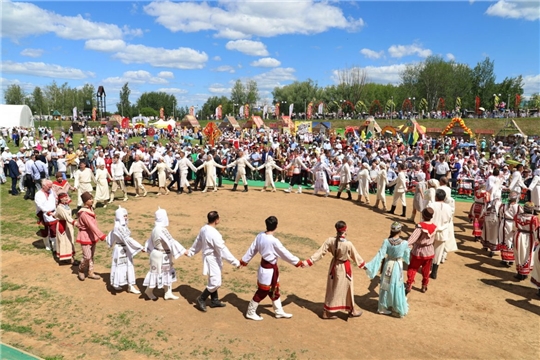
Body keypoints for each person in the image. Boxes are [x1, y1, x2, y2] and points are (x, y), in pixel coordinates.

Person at [241, 216, 303, 321]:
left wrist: (245, 260)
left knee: (274, 290)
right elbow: (284, 253)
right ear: (276, 226)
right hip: (268, 271)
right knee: (262, 292)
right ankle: (250, 312)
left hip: (266, 268)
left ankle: (279, 311)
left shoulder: (260, 235)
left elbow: (252, 249)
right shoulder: (274, 241)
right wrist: (297, 262)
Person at [303, 220, 366, 319]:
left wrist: (309, 261)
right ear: (345, 229)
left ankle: (348, 310)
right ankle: (338, 311)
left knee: (332, 288)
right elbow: (356, 256)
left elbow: (320, 252)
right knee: (347, 288)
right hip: (344, 269)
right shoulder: (348, 244)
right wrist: (365, 266)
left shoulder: (330, 240)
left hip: (334, 266)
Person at [187, 211, 240, 312]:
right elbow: (222, 250)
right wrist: (235, 262)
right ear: (217, 220)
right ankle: (201, 298)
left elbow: (198, 242)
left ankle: (214, 300)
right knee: (216, 282)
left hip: (212, 258)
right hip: (212, 259)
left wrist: (191, 252)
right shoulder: (214, 234)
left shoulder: (204, 229)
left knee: (213, 279)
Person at [365, 222, 410, 317]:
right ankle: (395, 306)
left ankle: (382, 307)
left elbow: (380, 254)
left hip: (388, 265)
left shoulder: (386, 241)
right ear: (400, 231)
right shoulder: (404, 243)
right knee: (397, 285)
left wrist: (371, 265)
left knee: (385, 285)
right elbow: (407, 257)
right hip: (397, 266)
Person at [143, 207, 187, 300]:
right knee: (156, 273)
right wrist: (183, 251)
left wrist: (146, 247)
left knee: (167, 272)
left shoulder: (156, 228)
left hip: (162, 254)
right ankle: (149, 291)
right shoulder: (161, 229)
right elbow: (171, 241)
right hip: (160, 255)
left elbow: (150, 240)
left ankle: (168, 292)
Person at [107, 207, 144, 294]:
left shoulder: (122, 226)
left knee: (129, 266)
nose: (126, 217)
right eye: (124, 216)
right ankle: (116, 284)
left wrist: (110, 242)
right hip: (121, 250)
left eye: (127, 215)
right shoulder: (118, 227)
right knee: (119, 266)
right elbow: (127, 239)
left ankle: (130, 285)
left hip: (125, 248)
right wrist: (140, 247)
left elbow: (111, 235)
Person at [76, 192, 106, 281]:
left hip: (91, 235)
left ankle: (90, 272)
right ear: (85, 201)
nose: (92, 200)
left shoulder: (90, 209)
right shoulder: (84, 213)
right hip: (85, 236)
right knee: (87, 256)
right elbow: (91, 225)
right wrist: (101, 236)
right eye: (90, 199)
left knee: (91, 255)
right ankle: (81, 269)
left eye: (92, 198)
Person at [406, 208, 437, 294]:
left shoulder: (420, 226)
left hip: (419, 250)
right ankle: (424, 285)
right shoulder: (434, 227)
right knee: (426, 270)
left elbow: (413, 238)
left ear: (423, 216)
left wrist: (406, 245)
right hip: (429, 250)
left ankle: (409, 284)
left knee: (413, 268)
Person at [427, 189, 454, 279]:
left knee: (428, 250)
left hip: (431, 231)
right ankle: (434, 271)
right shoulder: (449, 208)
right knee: (438, 252)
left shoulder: (431, 205)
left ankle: (427, 268)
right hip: (443, 231)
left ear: (436, 197)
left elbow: (426, 217)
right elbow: (449, 219)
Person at [513, 202, 539, 281]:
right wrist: (537, 240)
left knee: (518, 253)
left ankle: (519, 272)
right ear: (531, 210)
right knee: (527, 254)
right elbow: (536, 230)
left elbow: (514, 227)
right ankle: (524, 273)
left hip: (518, 235)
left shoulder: (517, 216)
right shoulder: (534, 218)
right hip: (529, 237)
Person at [498, 192, 521, 267]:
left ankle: (505, 259)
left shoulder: (503, 206)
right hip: (513, 224)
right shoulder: (518, 207)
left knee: (504, 240)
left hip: (504, 223)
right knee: (512, 241)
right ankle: (511, 259)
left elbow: (500, 215)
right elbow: (521, 217)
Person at [55, 192, 79, 264]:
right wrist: (75, 223)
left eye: (66, 197)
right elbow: (66, 217)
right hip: (63, 226)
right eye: (64, 197)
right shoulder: (60, 207)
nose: (66, 198)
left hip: (68, 225)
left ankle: (70, 257)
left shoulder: (66, 206)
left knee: (70, 241)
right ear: (60, 199)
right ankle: (69, 258)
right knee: (65, 241)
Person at [35, 179, 58, 252]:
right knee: (44, 230)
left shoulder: (51, 191)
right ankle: (47, 245)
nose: (50, 188)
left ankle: (55, 247)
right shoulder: (38, 194)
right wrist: (46, 211)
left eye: (51, 187)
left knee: (53, 230)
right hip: (42, 214)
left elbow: (55, 200)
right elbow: (40, 205)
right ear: (43, 186)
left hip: (52, 214)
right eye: (49, 187)